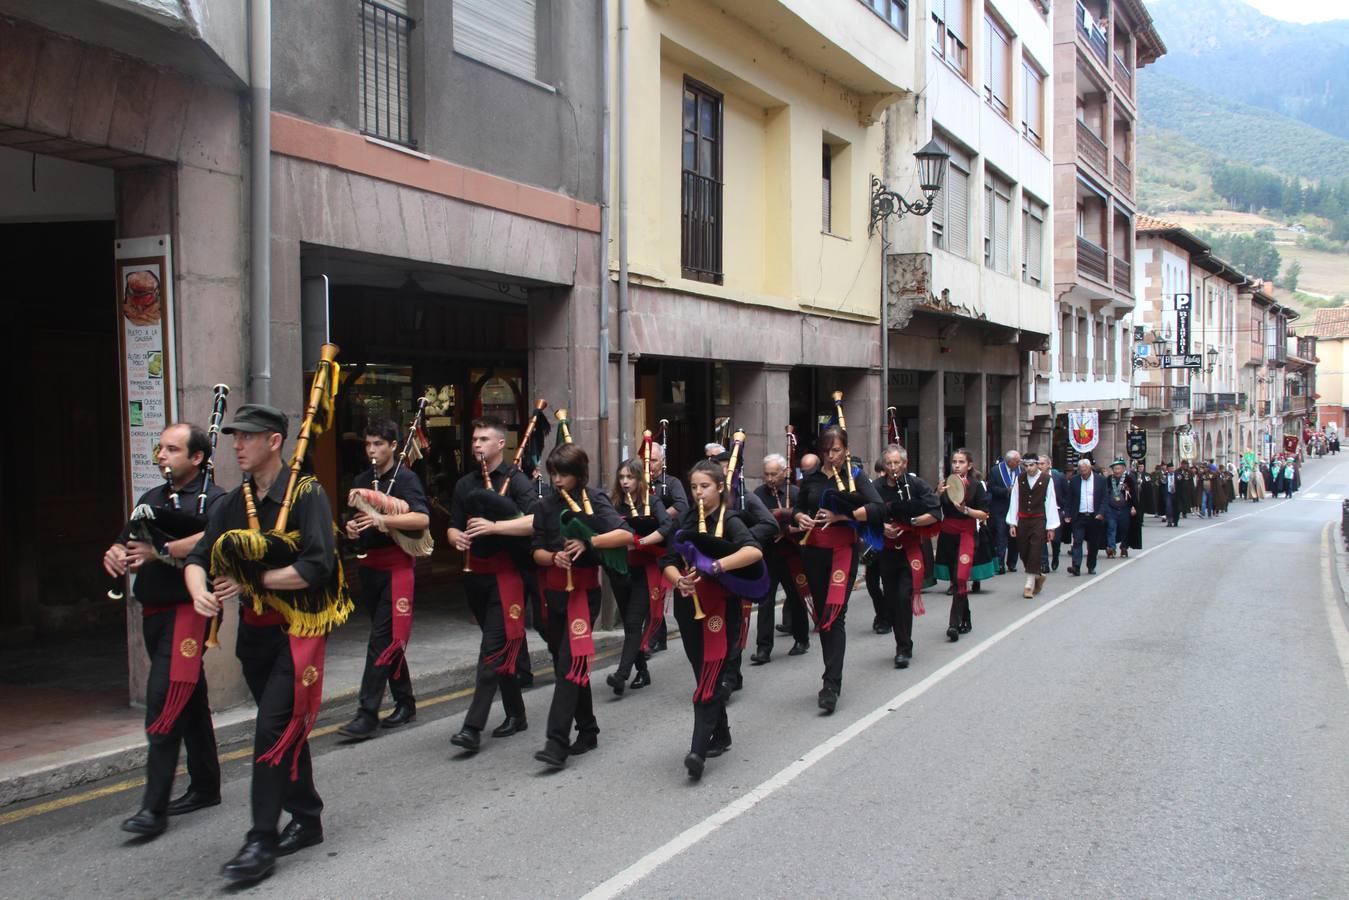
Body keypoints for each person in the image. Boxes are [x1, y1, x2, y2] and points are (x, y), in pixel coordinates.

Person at [186, 404, 346, 882]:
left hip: (297, 634)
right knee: (283, 728)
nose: (237, 445)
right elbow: (199, 556)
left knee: (271, 732)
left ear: (274, 441)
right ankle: (307, 815)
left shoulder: (306, 493)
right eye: (234, 437)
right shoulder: (232, 503)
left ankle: (260, 841)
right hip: (254, 637)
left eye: (247, 437)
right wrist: (198, 588)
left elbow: (318, 565)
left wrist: (256, 581)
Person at [103, 422, 224, 838]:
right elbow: (126, 540)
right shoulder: (151, 498)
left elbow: (215, 537)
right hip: (153, 614)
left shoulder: (216, 500)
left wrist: (161, 551)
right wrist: (117, 553)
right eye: (160, 449)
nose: (161, 456)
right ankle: (207, 785)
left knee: (165, 700)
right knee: (190, 697)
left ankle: (153, 810)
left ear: (196, 457)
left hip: (188, 612)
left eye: (172, 450)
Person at [530, 443, 633, 769]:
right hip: (553, 592)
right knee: (571, 665)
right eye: (554, 474)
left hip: (583, 593)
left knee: (567, 666)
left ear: (579, 474)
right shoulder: (545, 506)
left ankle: (556, 743)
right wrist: (552, 556)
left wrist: (589, 541)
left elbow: (624, 535)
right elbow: (535, 550)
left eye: (563, 474)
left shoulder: (596, 500)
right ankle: (588, 730)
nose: (557, 480)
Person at [662, 460, 763, 779]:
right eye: (693, 487)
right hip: (690, 605)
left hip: (721, 608)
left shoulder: (730, 520)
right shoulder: (687, 520)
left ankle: (697, 751)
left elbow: (754, 552)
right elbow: (666, 560)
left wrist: (717, 566)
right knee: (700, 671)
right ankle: (721, 733)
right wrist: (678, 579)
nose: (698, 493)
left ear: (720, 487)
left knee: (711, 675)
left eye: (704, 486)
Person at [447, 417, 540, 754]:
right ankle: (516, 713)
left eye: (484, 438)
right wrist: (456, 536)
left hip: (508, 578)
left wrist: (495, 527)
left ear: (501, 444)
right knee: (498, 650)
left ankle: (472, 728)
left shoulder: (518, 482)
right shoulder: (464, 484)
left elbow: (535, 521)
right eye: (474, 439)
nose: (477, 444)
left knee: (491, 651)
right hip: (476, 577)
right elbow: (453, 527)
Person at [337, 419, 429, 741]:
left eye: (378, 444)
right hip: (370, 568)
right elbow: (353, 519)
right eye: (368, 444)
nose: (372, 450)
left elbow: (421, 517)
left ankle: (367, 713)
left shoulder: (406, 479)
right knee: (388, 639)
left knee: (379, 639)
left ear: (393, 446)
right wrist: (350, 529)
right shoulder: (363, 480)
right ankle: (405, 701)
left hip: (397, 568)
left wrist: (383, 519)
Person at [794, 426, 883, 714]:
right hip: (813, 551)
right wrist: (800, 518)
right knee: (823, 617)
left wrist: (843, 515)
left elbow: (878, 507)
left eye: (836, 450)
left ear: (845, 449)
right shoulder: (811, 479)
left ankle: (831, 684)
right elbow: (797, 508)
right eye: (826, 450)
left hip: (842, 552)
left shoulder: (855, 477)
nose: (831, 456)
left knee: (835, 616)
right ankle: (829, 674)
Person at [606, 458, 674, 695]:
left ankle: (621, 675)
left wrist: (644, 541)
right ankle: (642, 671)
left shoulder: (652, 502)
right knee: (629, 625)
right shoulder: (613, 503)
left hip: (645, 571)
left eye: (630, 477)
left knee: (635, 622)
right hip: (620, 570)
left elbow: (667, 527)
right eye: (622, 477)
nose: (625, 482)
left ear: (639, 478)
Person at [715, 446, 778, 692]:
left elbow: (770, 524)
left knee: (736, 620)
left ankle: (730, 675)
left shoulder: (747, 498)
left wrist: (742, 538)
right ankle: (730, 672)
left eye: (727, 468)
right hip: (715, 568)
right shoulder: (706, 499)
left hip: (740, 566)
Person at [875, 445, 941, 668]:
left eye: (897, 463)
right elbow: (864, 515)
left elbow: (935, 513)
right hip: (886, 551)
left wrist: (911, 522)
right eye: (889, 463)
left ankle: (903, 648)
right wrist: (882, 527)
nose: (893, 468)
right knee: (892, 600)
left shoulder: (916, 485)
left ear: (905, 463)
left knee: (904, 597)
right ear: (884, 465)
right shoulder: (876, 487)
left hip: (910, 550)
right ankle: (900, 639)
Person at [751, 453, 810, 663]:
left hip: (791, 554)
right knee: (765, 600)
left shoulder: (795, 493)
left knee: (796, 597)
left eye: (774, 474)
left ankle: (801, 638)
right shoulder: (758, 494)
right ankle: (763, 648)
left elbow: (807, 522)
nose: (769, 479)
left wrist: (791, 528)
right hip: (768, 554)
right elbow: (753, 522)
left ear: (784, 473)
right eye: (766, 474)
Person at [935, 449, 994, 641]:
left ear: (969, 465)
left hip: (967, 535)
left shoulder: (977, 486)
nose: (957, 465)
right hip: (947, 535)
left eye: (961, 462)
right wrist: (937, 494)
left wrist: (966, 509)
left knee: (961, 578)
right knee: (955, 578)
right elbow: (934, 507)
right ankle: (966, 618)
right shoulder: (945, 484)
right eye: (954, 461)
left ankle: (953, 624)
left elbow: (984, 514)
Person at [646, 441, 689, 653]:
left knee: (658, 592)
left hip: (667, 544)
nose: (650, 464)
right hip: (647, 544)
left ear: (662, 461)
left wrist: (659, 517)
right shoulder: (639, 482)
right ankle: (657, 635)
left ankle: (654, 637)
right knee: (651, 593)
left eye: (653, 460)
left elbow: (682, 506)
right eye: (647, 459)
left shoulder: (671, 483)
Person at [1004, 449, 1060, 599]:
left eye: (1031, 465)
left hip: (1039, 519)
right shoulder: (1020, 479)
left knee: (1035, 548)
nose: (1028, 469)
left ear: (1037, 465)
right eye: (1026, 466)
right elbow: (1014, 501)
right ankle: (1038, 576)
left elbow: (1050, 502)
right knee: (1023, 549)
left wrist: (1051, 527)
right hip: (1023, 519)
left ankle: (1029, 584)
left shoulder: (1047, 480)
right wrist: (1012, 524)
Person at [1064, 459, 1107, 574]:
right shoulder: (1074, 481)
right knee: (1077, 541)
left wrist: (1101, 513)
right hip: (1079, 516)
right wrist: (1067, 514)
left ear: (1090, 469)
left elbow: (1104, 499)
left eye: (1085, 471)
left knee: (1093, 543)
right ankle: (1076, 566)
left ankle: (1091, 565)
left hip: (1094, 516)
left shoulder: (1100, 480)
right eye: (1081, 471)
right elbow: (1069, 499)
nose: (1083, 473)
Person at [864, 458, 892, 634]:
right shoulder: (872, 487)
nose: (882, 475)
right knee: (872, 583)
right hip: (874, 542)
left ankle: (886, 617)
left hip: (891, 543)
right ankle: (881, 612)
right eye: (879, 471)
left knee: (889, 583)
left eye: (884, 471)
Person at [987, 451, 1021, 575]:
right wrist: (1006, 491)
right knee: (1001, 536)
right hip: (1000, 508)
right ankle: (1000, 563)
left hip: (1015, 509)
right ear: (1009, 461)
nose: (1019, 463)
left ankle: (1012, 562)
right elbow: (991, 488)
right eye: (1017, 461)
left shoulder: (1020, 470)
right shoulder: (996, 471)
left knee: (1014, 537)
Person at [1103, 459, 1134, 558]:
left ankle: (1124, 547)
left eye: (1118, 468)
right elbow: (1104, 493)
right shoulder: (1108, 479)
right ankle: (1111, 548)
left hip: (1125, 508)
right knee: (1111, 528)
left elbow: (1134, 494)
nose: (1116, 471)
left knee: (1124, 528)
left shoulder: (1128, 479)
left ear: (1123, 469)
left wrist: (1133, 506)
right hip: (1111, 509)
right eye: (1115, 469)